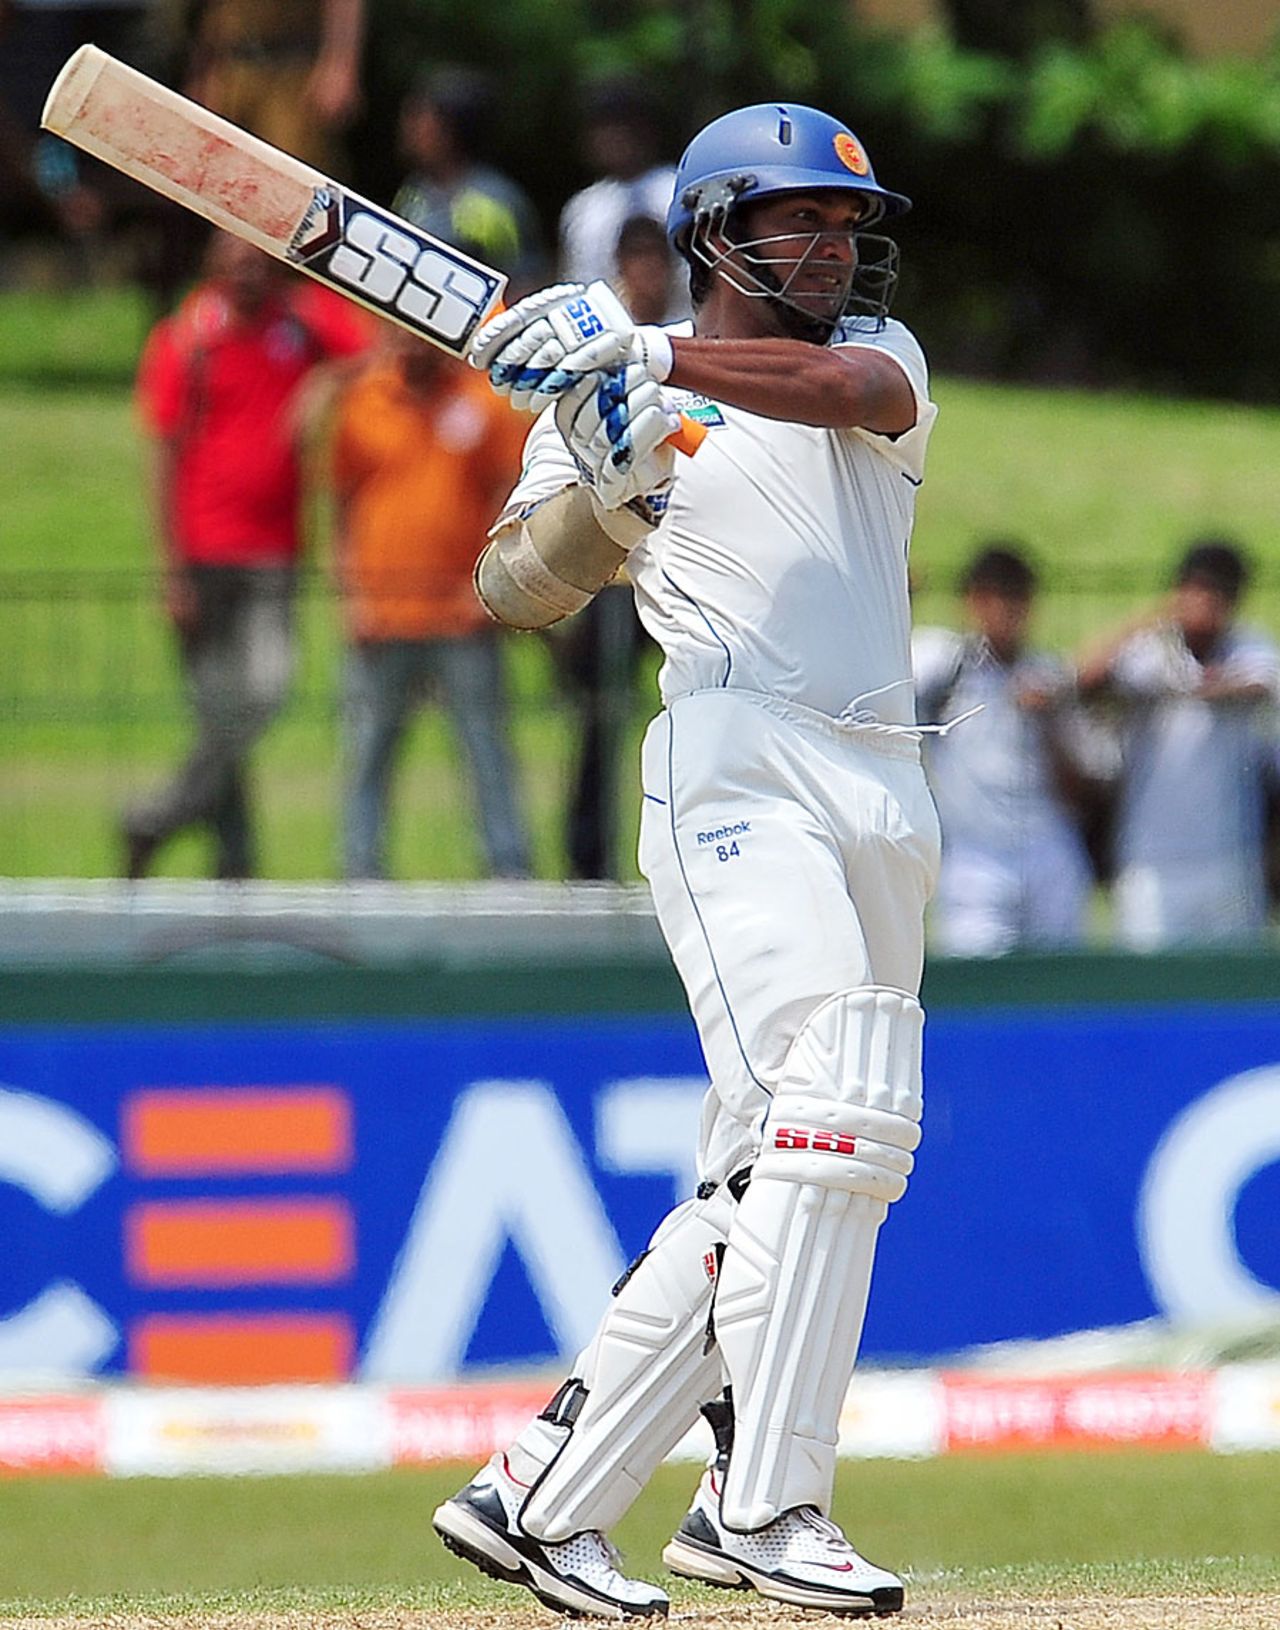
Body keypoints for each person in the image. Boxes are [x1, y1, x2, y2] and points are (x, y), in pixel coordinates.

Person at [432, 103, 938, 1617]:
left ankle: (536, 1497)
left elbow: (839, 383)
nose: (839, 247)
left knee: (769, 1164)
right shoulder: (601, 393)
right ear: (719, 228)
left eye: (852, 225)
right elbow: (513, 589)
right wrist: (611, 491)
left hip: (884, 772)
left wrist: (646, 357)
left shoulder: (874, 361)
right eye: (804, 221)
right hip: (734, 762)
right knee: (832, 1100)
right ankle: (765, 1500)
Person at [122, 231, 371, 880]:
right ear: (213, 270)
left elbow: (375, 350)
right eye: (235, 266)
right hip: (204, 553)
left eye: (259, 264)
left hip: (273, 553)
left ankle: (157, 816)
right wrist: (170, 568)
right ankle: (234, 869)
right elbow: (162, 458)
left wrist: (320, 383)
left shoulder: (301, 324)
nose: (248, 276)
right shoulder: (185, 340)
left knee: (264, 690)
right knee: (218, 717)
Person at [331, 323, 533, 881]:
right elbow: (343, 503)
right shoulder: (364, 399)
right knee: (367, 756)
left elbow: (515, 491)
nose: (412, 344)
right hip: (381, 615)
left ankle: (509, 872)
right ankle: (360, 876)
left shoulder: (481, 402)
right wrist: (349, 596)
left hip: (459, 616)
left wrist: (487, 587)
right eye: (399, 334)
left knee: (486, 752)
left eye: (423, 334)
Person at [1077, 538, 1280, 949]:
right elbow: (1085, 679)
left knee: (1230, 993)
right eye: (1197, 590)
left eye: (1220, 593)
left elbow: (1257, 685)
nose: (1207, 603)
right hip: (1150, 861)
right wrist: (1151, 619)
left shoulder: (1249, 646)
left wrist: (1189, 688)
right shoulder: (1152, 649)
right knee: (1149, 993)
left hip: (1230, 860)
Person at [552, 217, 673, 879]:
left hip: (672, 556)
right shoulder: (602, 348)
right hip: (614, 566)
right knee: (599, 718)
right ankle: (588, 858)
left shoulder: (685, 343)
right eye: (636, 262)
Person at [914, 543, 1096, 955]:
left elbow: (1084, 779)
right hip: (974, 855)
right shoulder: (946, 666)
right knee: (981, 981)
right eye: (994, 598)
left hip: (1047, 850)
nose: (1007, 612)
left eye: (1017, 598)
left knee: (1059, 982)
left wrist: (1049, 717)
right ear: (973, 601)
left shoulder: (1047, 673)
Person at [392, 65, 547, 299]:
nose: (408, 128)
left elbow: (524, 286)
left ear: (449, 130)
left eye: (419, 118)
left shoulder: (496, 202)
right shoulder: (414, 192)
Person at [184, 0, 364, 176]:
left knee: (290, 176)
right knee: (212, 172)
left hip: (292, 71)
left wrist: (340, 61)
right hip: (232, 63)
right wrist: (203, 72)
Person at [557, 78, 678, 291]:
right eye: (603, 128)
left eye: (622, 126)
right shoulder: (583, 208)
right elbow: (575, 288)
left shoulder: (677, 192)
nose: (613, 137)